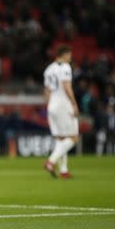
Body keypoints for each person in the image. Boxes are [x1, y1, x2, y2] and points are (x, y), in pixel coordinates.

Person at [43, 45, 79, 179]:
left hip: (52, 104)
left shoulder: (48, 69)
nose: (70, 57)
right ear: (63, 55)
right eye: (69, 55)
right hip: (63, 103)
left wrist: (49, 106)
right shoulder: (65, 67)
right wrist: (74, 104)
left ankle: (64, 170)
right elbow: (66, 86)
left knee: (61, 139)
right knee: (73, 137)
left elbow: (46, 91)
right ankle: (51, 161)